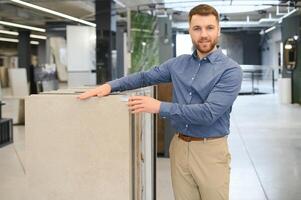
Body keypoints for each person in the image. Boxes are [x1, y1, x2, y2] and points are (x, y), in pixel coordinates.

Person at [78, 4, 242, 200]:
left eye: (209, 28)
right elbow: (144, 77)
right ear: (189, 30)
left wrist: (159, 107)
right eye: (197, 28)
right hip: (180, 146)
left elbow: (208, 113)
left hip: (211, 151)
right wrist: (109, 86)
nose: (203, 34)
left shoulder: (230, 70)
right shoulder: (178, 64)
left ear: (218, 30)